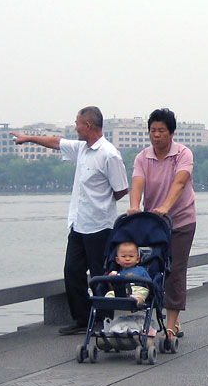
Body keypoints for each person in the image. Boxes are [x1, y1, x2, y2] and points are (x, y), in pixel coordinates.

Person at [11, 106, 129, 334]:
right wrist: (28, 138)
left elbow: (121, 189)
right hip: (78, 224)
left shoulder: (109, 154)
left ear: (88, 125)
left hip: (100, 226)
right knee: (72, 271)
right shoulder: (81, 149)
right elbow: (56, 142)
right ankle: (82, 318)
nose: (75, 127)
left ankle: (103, 320)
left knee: (100, 276)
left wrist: (101, 203)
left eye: (77, 123)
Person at [128, 108, 196, 340]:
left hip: (181, 221)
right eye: (152, 131)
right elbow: (138, 181)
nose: (156, 135)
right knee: (151, 269)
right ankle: (146, 318)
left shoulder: (183, 154)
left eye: (161, 131)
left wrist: (166, 207)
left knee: (175, 271)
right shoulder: (142, 157)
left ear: (171, 132)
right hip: (153, 223)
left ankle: (172, 324)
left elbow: (180, 182)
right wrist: (135, 206)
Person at [105, 241, 150, 305]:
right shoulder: (118, 273)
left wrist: (135, 278)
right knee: (109, 294)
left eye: (131, 256)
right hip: (121, 292)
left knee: (142, 293)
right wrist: (110, 281)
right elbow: (112, 288)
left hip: (136, 290)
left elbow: (149, 284)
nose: (127, 259)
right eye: (123, 256)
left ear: (137, 259)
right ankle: (106, 303)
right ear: (117, 260)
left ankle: (137, 301)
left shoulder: (141, 270)